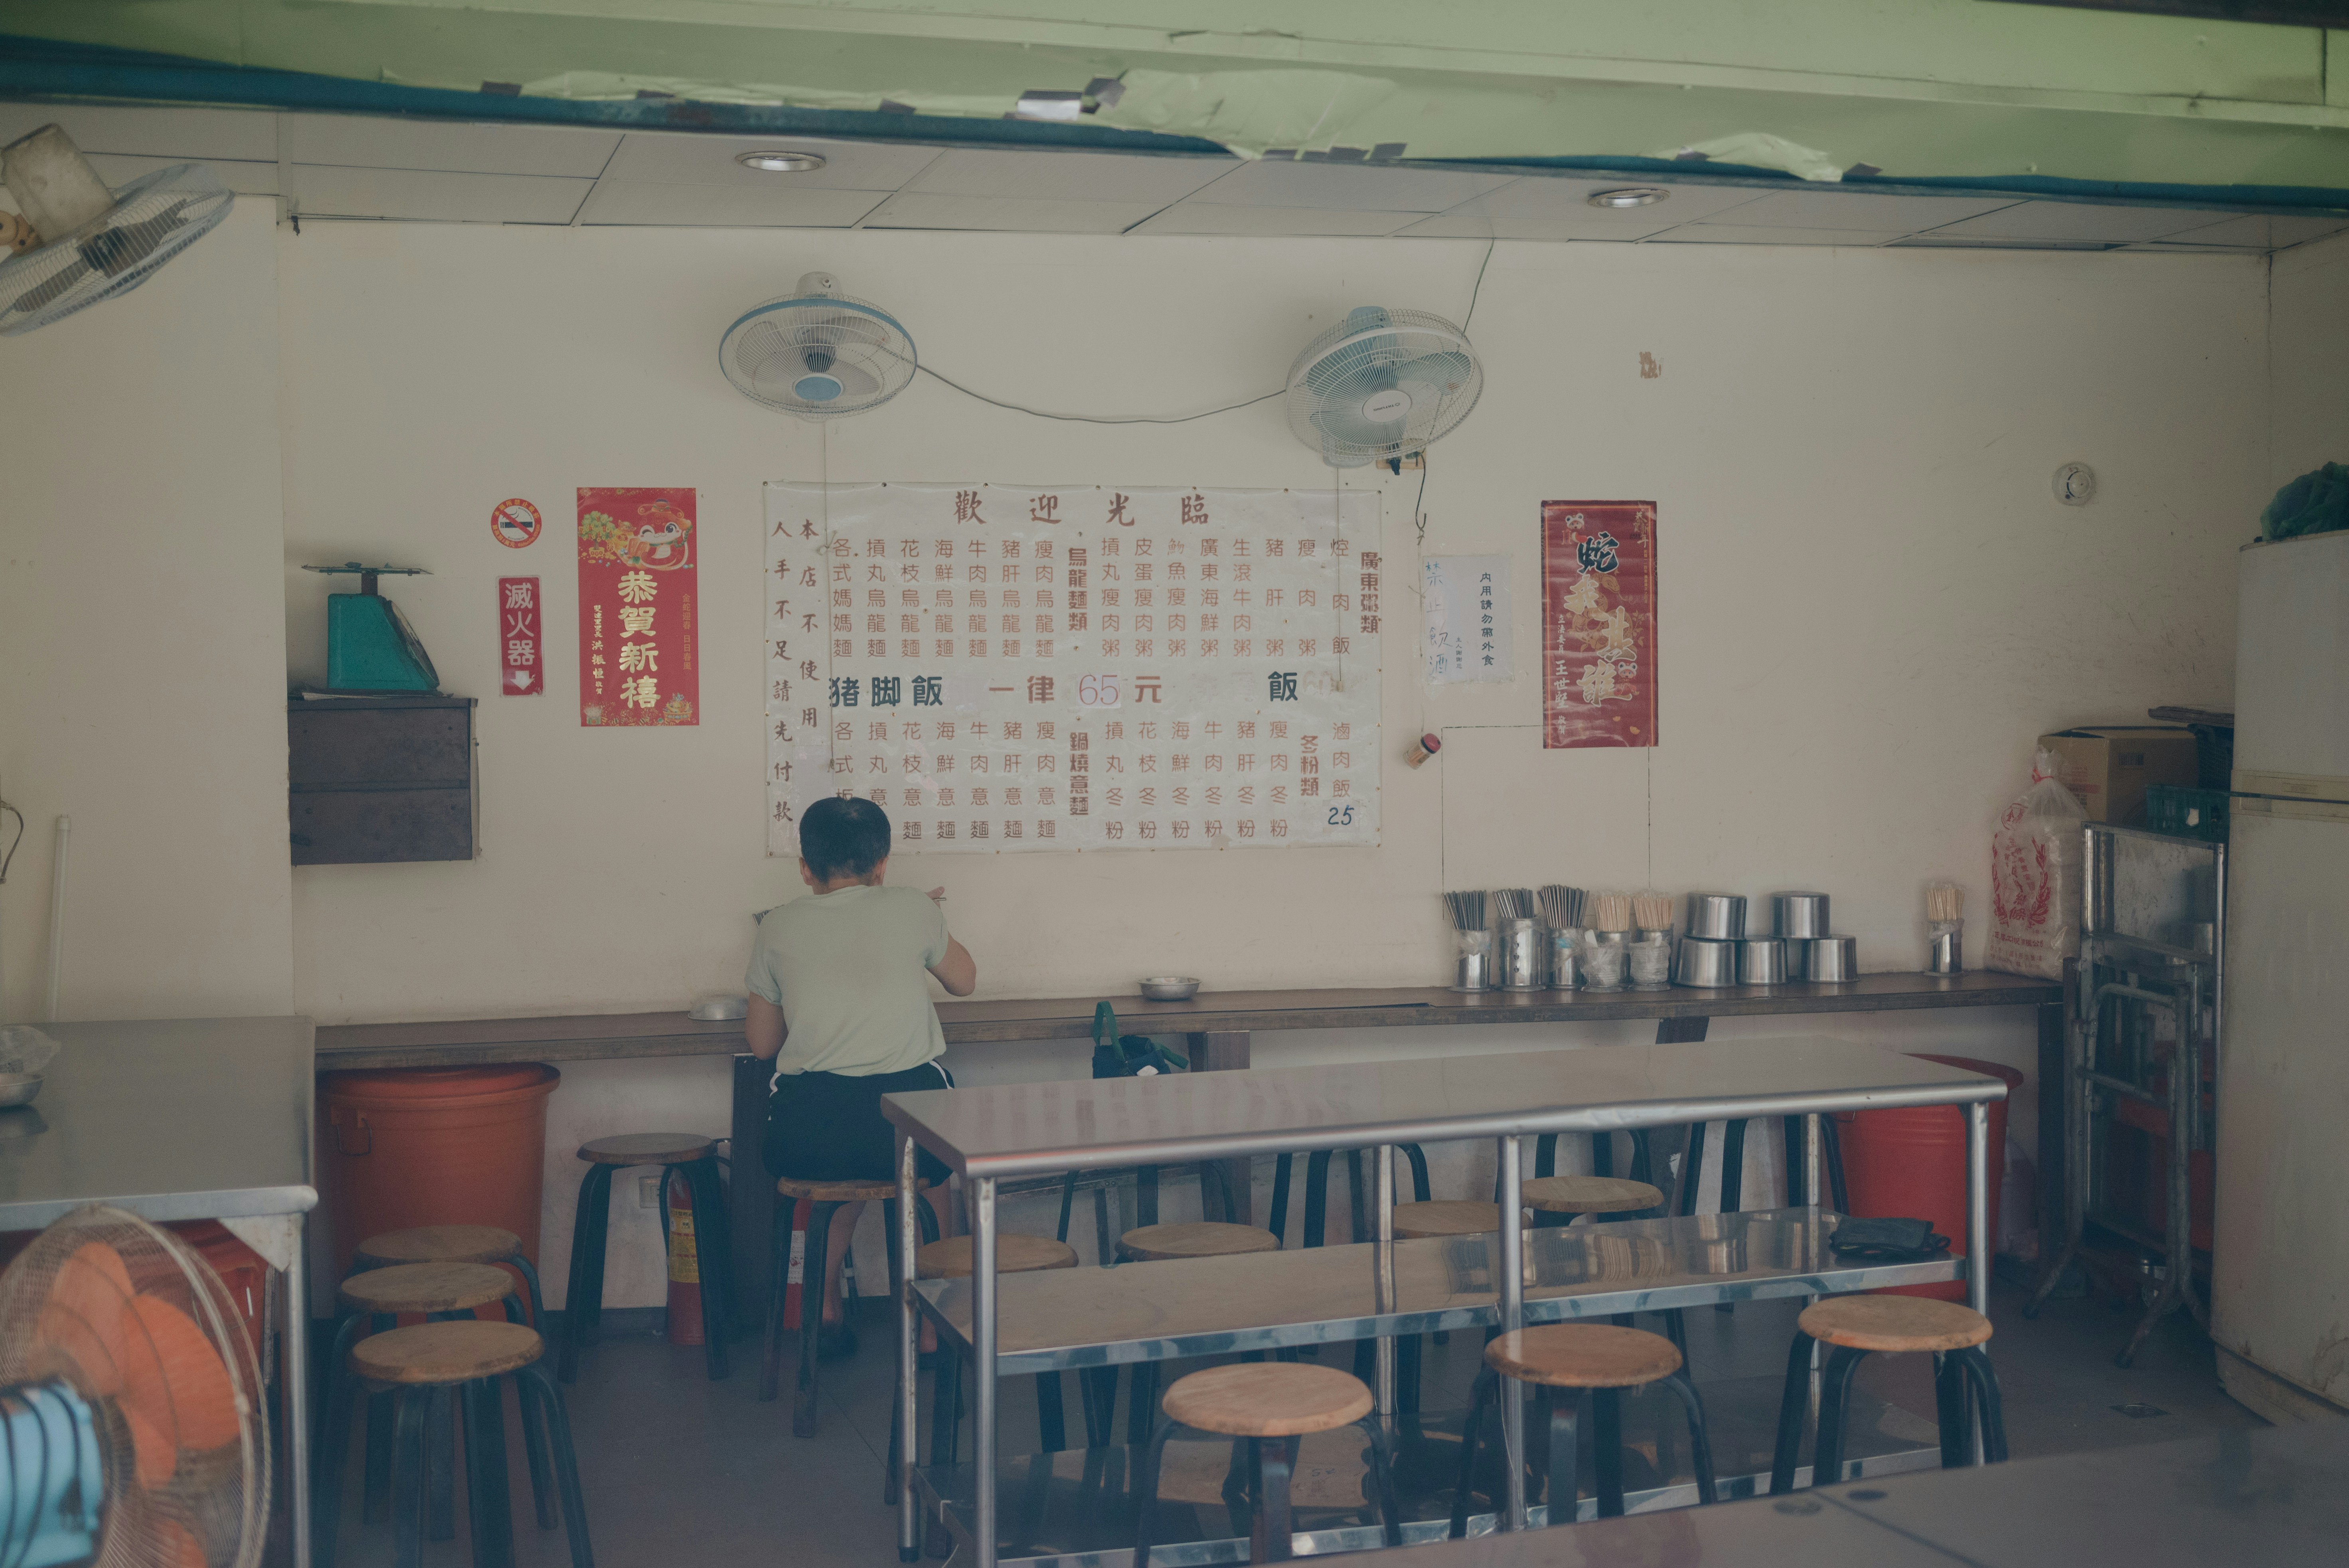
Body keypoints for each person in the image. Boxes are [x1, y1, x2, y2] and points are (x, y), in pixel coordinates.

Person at [746, 796, 974, 1355]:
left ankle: (823, 1313)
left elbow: (762, 1045)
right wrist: (923, 919)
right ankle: (928, 1331)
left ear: (805, 866)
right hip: (903, 1133)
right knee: (929, 1178)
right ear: (882, 864)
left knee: (837, 1186)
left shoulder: (777, 923)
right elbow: (965, 981)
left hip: (808, 1138)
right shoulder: (914, 907)